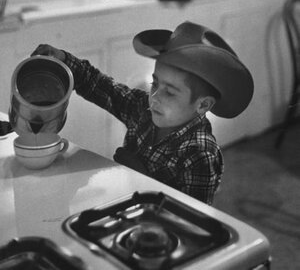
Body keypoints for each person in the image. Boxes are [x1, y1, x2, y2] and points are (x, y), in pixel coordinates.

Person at [31, 21, 254, 205]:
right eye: (155, 84)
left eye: (170, 92)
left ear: (203, 105)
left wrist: (143, 178)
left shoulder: (199, 154)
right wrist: (64, 60)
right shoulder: (143, 110)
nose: (155, 97)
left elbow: (192, 218)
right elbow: (100, 85)